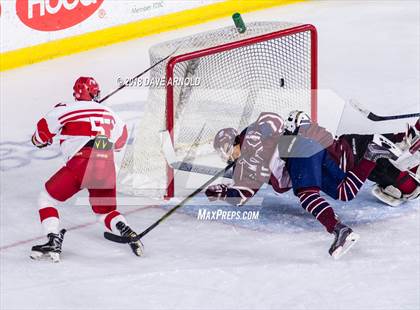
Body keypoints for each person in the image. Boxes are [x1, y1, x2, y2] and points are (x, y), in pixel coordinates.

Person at [206, 111, 418, 258]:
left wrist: (254, 141)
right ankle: (372, 153)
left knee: (307, 195)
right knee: (345, 192)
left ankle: (339, 231)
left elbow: (274, 120)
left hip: (298, 149)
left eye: (225, 149)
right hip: (310, 155)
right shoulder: (244, 168)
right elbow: (242, 196)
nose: (226, 156)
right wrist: (221, 192)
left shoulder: (251, 134)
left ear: (232, 141)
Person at [30, 77, 143, 262]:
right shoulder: (110, 113)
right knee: (105, 212)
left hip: (81, 163)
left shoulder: (64, 108)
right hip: (105, 164)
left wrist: (41, 141)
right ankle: (125, 229)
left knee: (46, 198)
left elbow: (40, 135)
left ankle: (52, 239)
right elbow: (121, 142)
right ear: (94, 93)